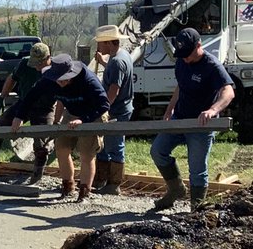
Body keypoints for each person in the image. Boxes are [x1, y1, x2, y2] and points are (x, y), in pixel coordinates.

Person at [151, 28, 234, 211]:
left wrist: (212, 110)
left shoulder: (212, 66)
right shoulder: (181, 61)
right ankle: (176, 189)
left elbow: (228, 91)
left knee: (197, 169)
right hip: (179, 118)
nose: (185, 58)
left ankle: (196, 208)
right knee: (158, 150)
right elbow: (181, 86)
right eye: (182, 55)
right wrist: (170, 109)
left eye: (188, 54)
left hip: (200, 124)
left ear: (199, 45)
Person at [15, 53, 109, 203]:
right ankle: (68, 187)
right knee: (62, 148)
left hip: (93, 114)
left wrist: (83, 120)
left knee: (86, 152)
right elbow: (31, 95)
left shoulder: (88, 80)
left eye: (64, 79)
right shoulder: (49, 80)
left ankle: (84, 192)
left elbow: (104, 104)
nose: (61, 83)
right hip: (72, 112)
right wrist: (19, 117)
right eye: (58, 79)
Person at [0, 42, 53, 181]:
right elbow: (12, 79)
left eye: (39, 62)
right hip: (23, 103)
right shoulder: (24, 64)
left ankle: (37, 172)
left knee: (42, 141)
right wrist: (2, 97)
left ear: (48, 58)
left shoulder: (55, 69)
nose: (36, 65)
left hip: (44, 108)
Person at [92, 24, 134, 195]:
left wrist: (104, 109)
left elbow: (114, 90)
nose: (99, 46)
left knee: (115, 146)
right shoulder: (120, 55)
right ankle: (101, 179)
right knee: (104, 146)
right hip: (119, 108)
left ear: (109, 43)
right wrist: (102, 62)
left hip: (117, 110)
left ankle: (114, 184)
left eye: (101, 43)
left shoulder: (117, 62)